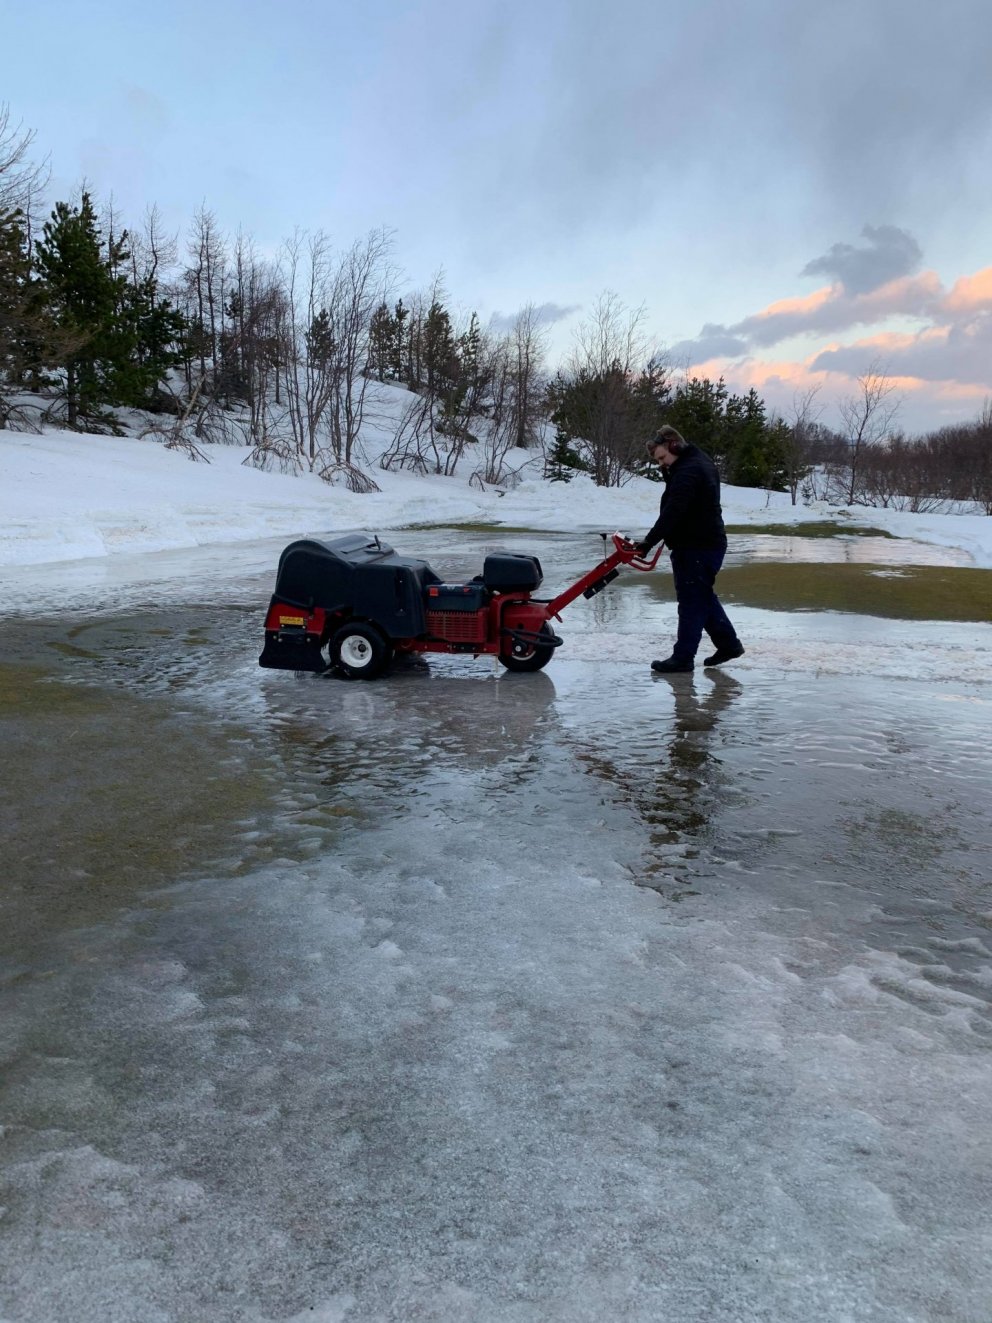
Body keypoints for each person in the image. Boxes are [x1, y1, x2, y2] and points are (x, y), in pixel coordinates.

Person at [635, 425, 745, 674]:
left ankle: (683, 658)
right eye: (658, 462)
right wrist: (668, 471)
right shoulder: (692, 462)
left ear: (674, 445)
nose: (662, 464)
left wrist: (648, 543)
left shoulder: (688, 471)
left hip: (698, 546)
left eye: (663, 458)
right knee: (701, 596)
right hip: (703, 543)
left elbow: (674, 511)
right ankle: (729, 645)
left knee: (691, 602)